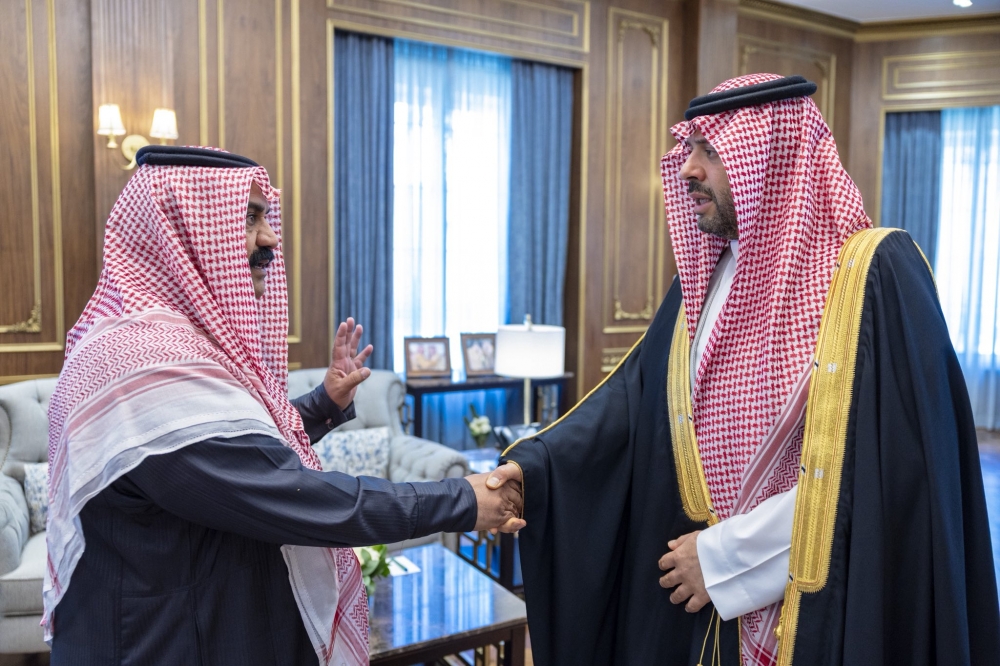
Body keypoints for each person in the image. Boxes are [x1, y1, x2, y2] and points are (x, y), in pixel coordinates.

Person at [487, 75, 1000, 665]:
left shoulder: (873, 277)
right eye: (689, 148)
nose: (687, 169)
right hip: (697, 612)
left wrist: (725, 557)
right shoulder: (700, 284)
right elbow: (632, 404)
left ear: (772, 157)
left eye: (709, 150)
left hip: (822, 616)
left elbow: (886, 474)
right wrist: (532, 468)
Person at [45, 145, 524, 666]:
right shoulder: (147, 366)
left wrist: (322, 404)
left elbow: (234, 452)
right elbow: (289, 493)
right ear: (181, 231)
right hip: (161, 643)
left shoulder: (152, 343)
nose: (271, 238)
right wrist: (463, 500)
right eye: (250, 218)